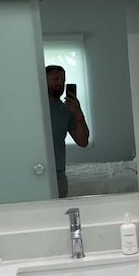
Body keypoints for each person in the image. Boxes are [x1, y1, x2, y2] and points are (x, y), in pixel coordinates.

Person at [45, 64, 90, 197]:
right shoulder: (34, 108)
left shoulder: (66, 110)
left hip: (59, 174)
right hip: (35, 172)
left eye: (63, 80)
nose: (60, 83)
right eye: (55, 79)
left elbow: (83, 142)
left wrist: (78, 113)